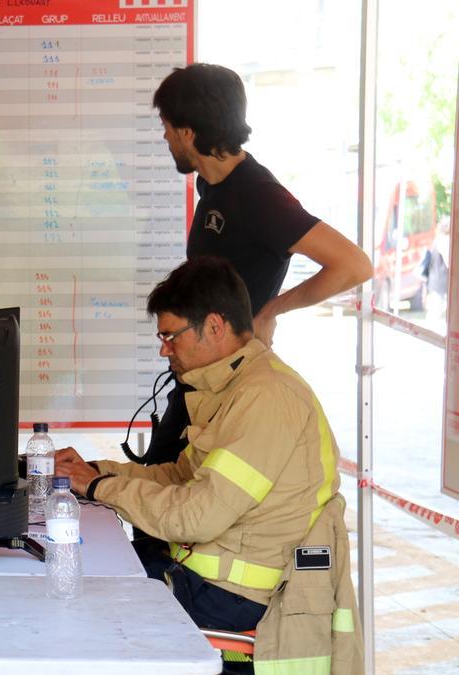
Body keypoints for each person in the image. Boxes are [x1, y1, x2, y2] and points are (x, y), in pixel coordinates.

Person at [54, 257, 361, 673]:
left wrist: (95, 487)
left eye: (170, 335)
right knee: (84, 580)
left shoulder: (267, 397)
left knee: (81, 613)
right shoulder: (236, 388)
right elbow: (179, 478)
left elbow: (195, 516)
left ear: (215, 327)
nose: (164, 349)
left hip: (237, 599)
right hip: (206, 579)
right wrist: (93, 470)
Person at [142, 63, 372, 467]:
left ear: (187, 132)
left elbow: (353, 265)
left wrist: (271, 310)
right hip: (200, 372)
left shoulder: (258, 195)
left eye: (166, 125)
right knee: (160, 485)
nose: (164, 136)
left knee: (170, 499)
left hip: (232, 383)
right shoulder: (211, 184)